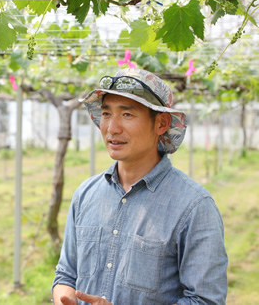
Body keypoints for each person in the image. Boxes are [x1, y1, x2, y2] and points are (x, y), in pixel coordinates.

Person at [52, 68, 228, 304]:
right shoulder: (86, 194)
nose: (112, 128)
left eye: (127, 115)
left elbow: (206, 300)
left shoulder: (194, 207)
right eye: (106, 113)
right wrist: (66, 298)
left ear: (161, 123)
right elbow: (66, 275)